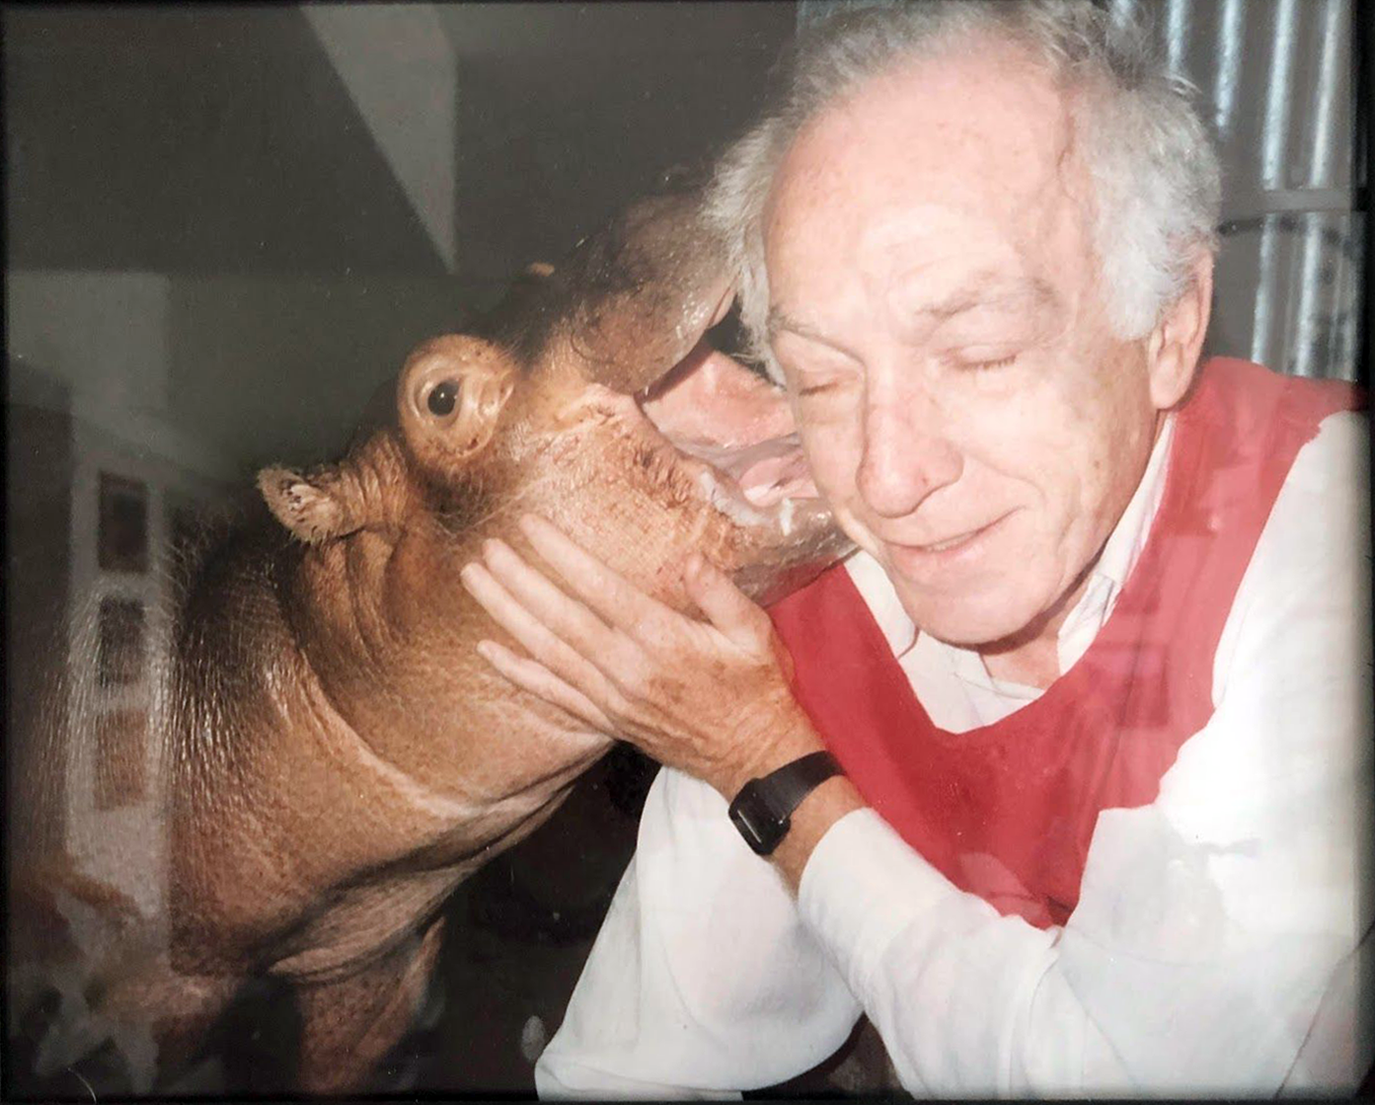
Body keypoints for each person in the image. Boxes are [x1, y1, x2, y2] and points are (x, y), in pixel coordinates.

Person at [459, 0, 1372, 1095]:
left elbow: (1108, 1077)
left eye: (977, 352)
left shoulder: (1323, 535)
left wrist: (774, 776)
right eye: (825, 377)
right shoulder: (799, 625)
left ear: (1169, 322)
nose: (885, 481)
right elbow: (623, 1071)